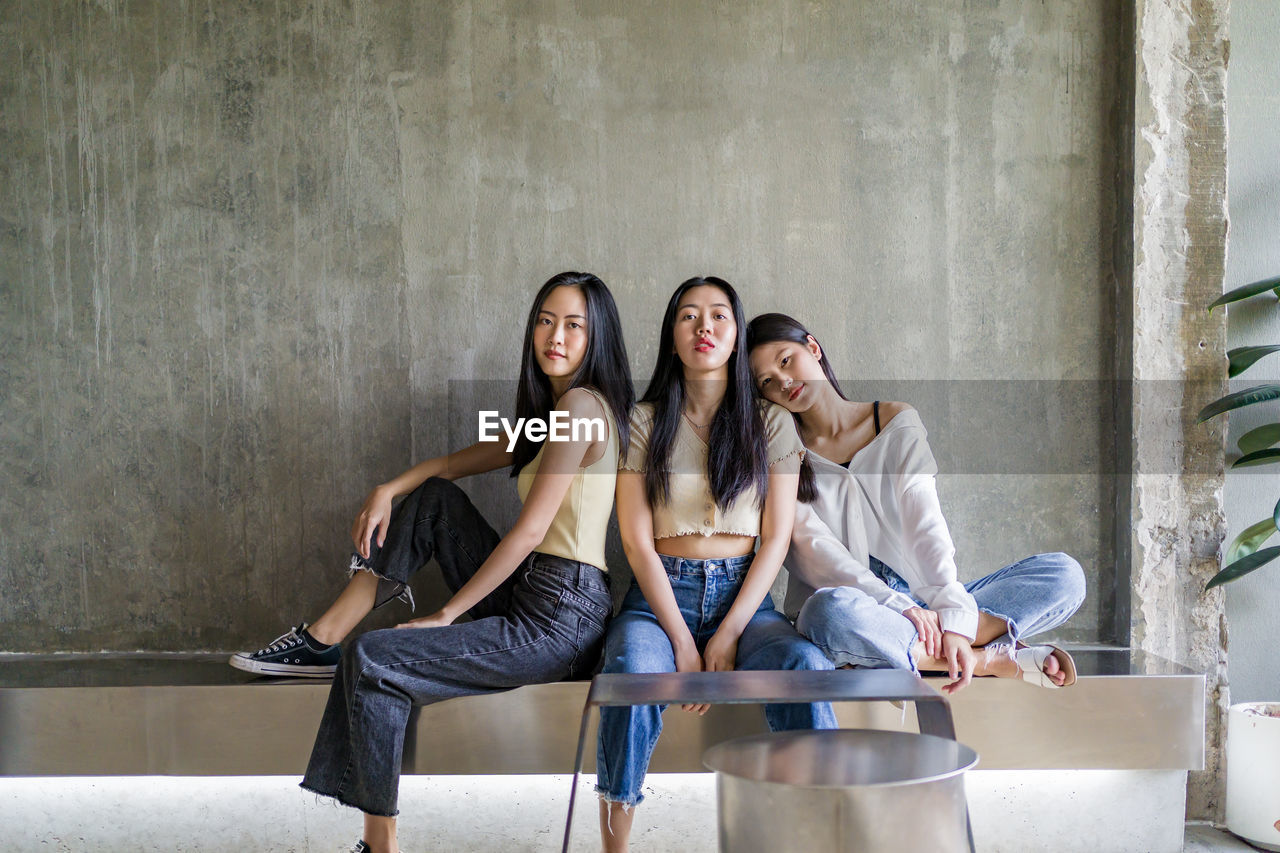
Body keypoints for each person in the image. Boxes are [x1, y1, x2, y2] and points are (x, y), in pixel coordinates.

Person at [231, 271, 633, 853]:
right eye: (546, 320)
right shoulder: (551, 412)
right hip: (537, 595)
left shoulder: (580, 406)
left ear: (598, 338)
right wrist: (389, 487)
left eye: (575, 325)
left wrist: (449, 614)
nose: (556, 336)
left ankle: (380, 846)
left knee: (374, 658)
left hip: (560, 617)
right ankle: (326, 635)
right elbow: (452, 464)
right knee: (435, 503)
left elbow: (527, 534)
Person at [596, 278, 836, 852]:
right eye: (688, 317)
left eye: (719, 316)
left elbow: (775, 539)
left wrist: (727, 633)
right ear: (672, 338)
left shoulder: (770, 423)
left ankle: (822, 831)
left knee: (803, 662)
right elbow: (635, 541)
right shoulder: (642, 421)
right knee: (631, 670)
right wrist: (681, 640)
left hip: (747, 604)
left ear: (736, 334)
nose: (704, 327)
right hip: (658, 603)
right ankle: (614, 847)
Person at [746, 312, 1086, 694]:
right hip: (860, 607)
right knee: (827, 613)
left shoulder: (894, 420)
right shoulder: (780, 455)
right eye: (767, 382)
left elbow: (925, 522)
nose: (784, 381)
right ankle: (984, 657)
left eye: (786, 360)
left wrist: (952, 617)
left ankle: (941, 650)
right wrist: (896, 606)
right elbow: (811, 550)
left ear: (813, 347)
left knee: (1063, 574)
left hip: (926, 599)